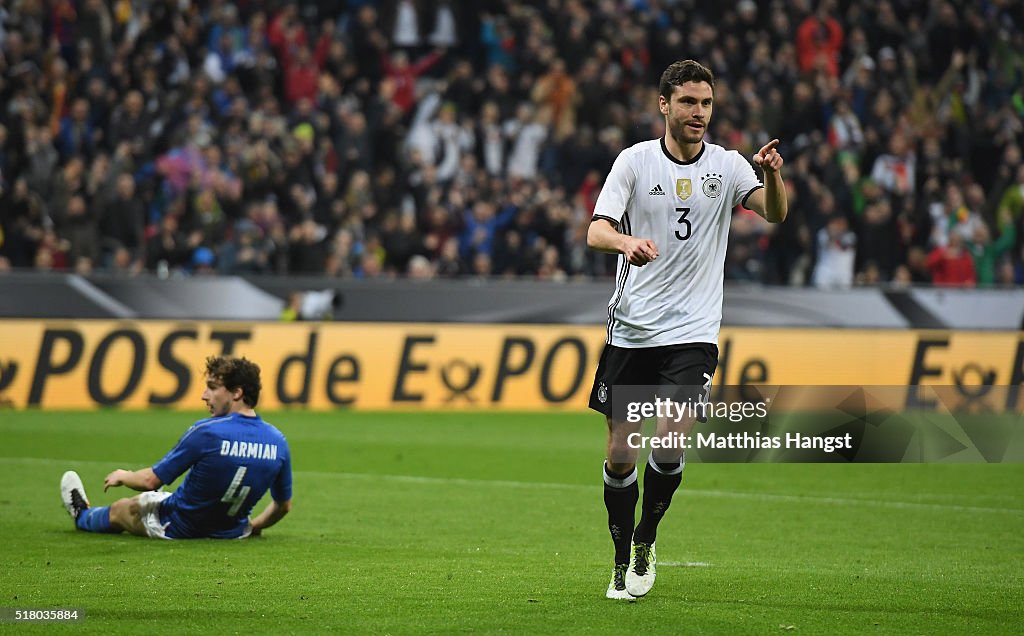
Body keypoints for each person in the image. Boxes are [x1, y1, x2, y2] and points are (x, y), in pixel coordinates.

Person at [586, 60, 787, 600]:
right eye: (689, 103)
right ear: (665, 105)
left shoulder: (728, 165)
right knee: (621, 450)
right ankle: (619, 553)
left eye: (706, 104)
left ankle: (647, 539)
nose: (699, 113)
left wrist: (772, 173)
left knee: (673, 435)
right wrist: (626, 242)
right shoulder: (634, 162)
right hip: (632, 327)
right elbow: (596, 230)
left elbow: (774, 213)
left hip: (693, 330)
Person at [59, 356, 293, 539]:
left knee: (123, 508)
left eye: (212, 387)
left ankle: (82, 516)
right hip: (233, 531)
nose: (204, 395)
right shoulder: (278, 441)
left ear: (237, 392)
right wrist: (254, 527)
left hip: (178, 527)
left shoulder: (208, 431)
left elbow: (150, 481)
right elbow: (283, 506)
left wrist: (124, 475)